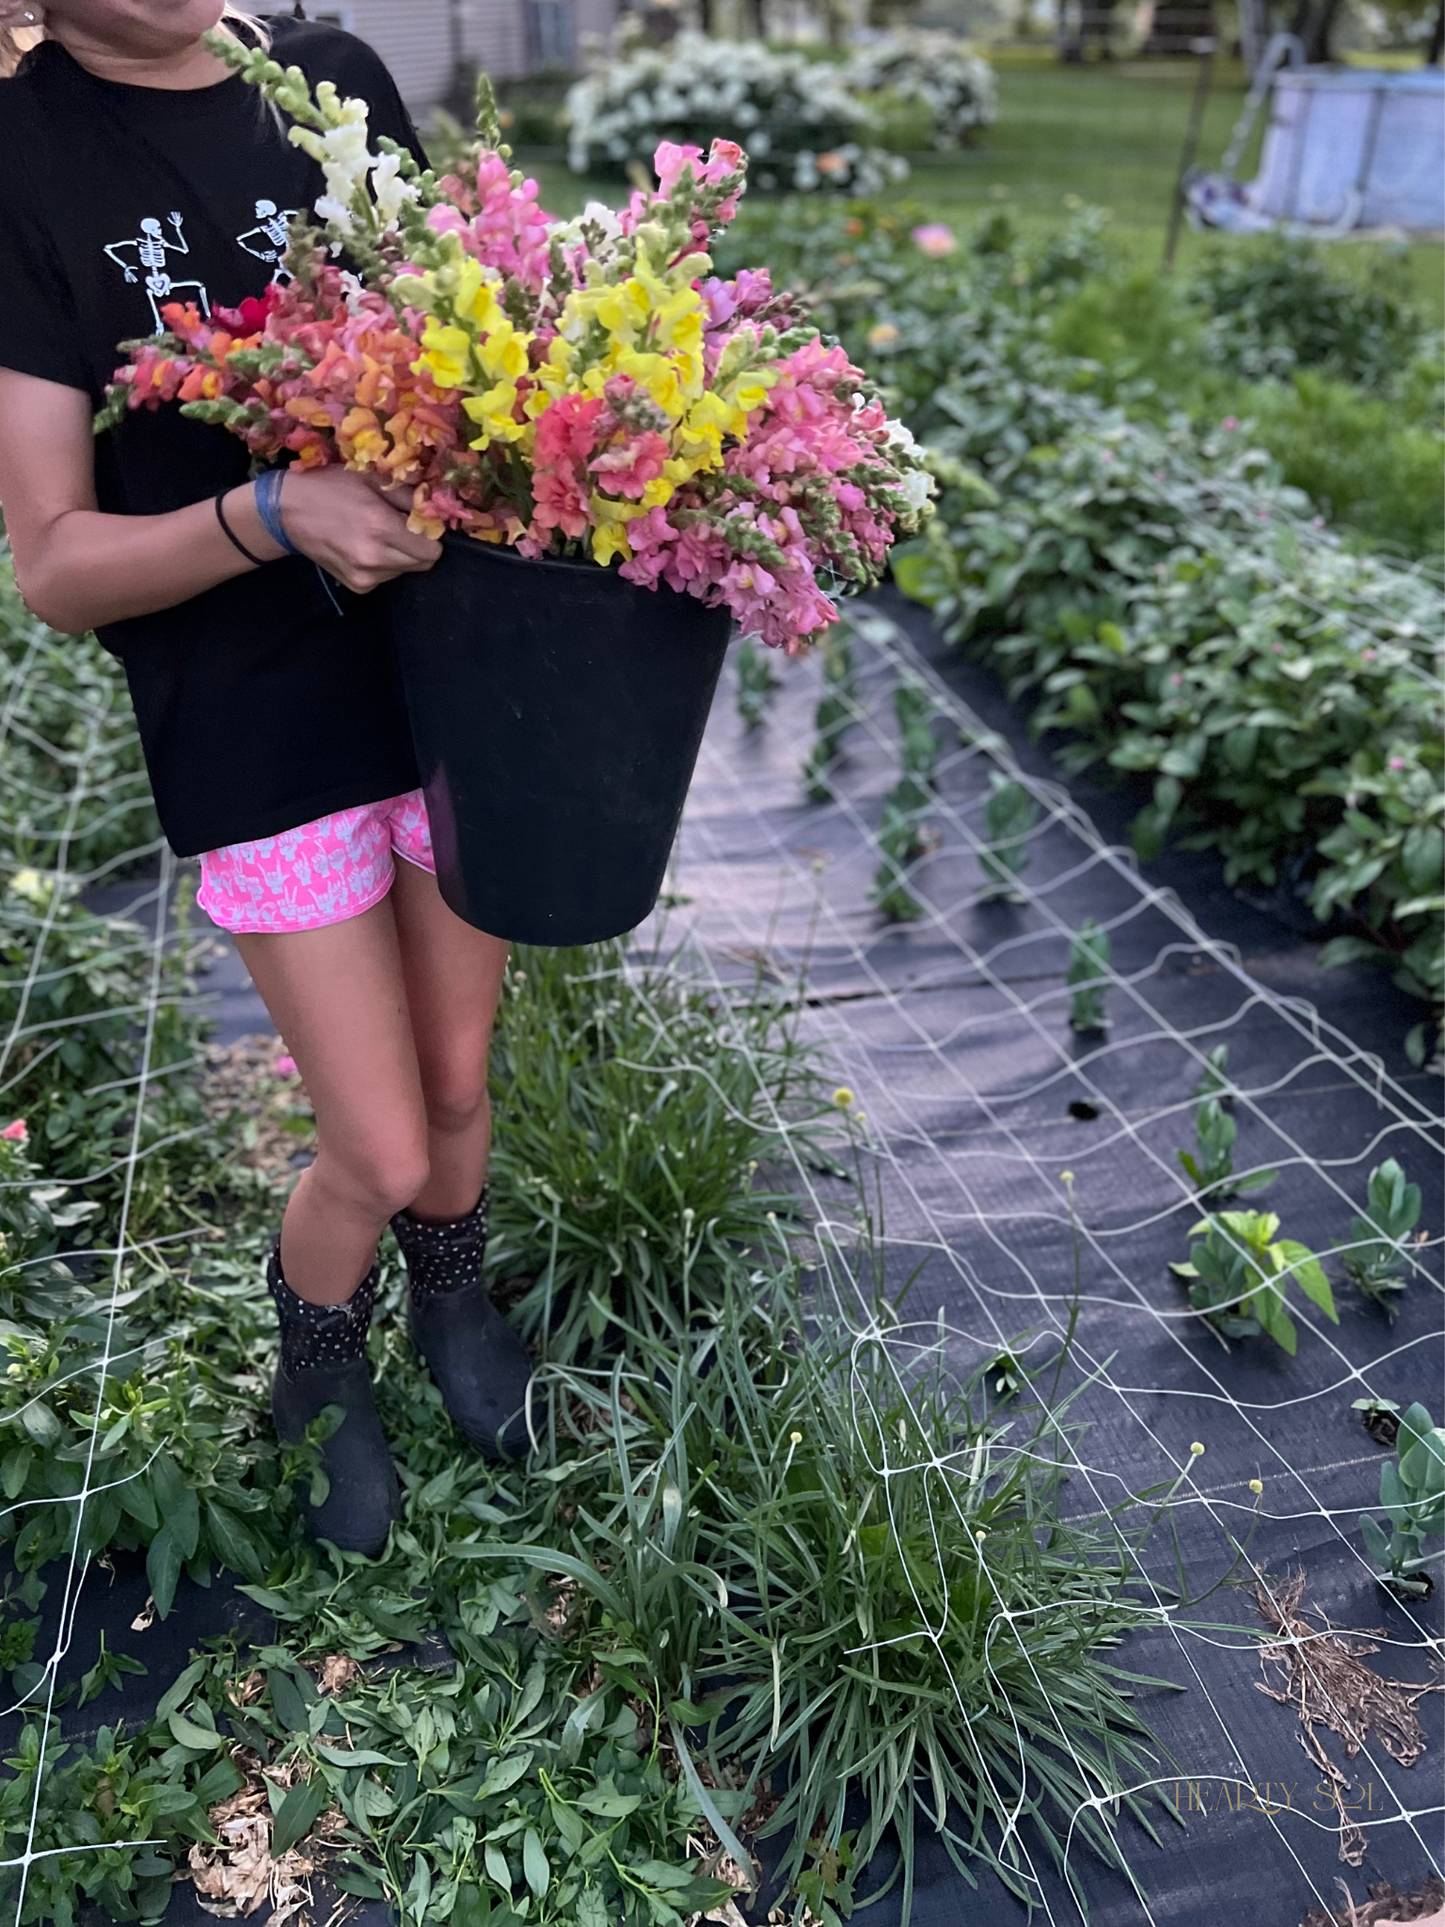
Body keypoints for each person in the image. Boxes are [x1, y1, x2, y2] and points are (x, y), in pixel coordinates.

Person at [0, 0, 533, 1558]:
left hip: (439, 678)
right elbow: (56, 561)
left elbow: (467, 352)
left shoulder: (338, 79)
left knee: (453, 1078)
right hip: (248, 714)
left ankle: (454, 1294)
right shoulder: (24, 160)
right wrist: (275, 513)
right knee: (373, 1140)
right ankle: (319, 1340)